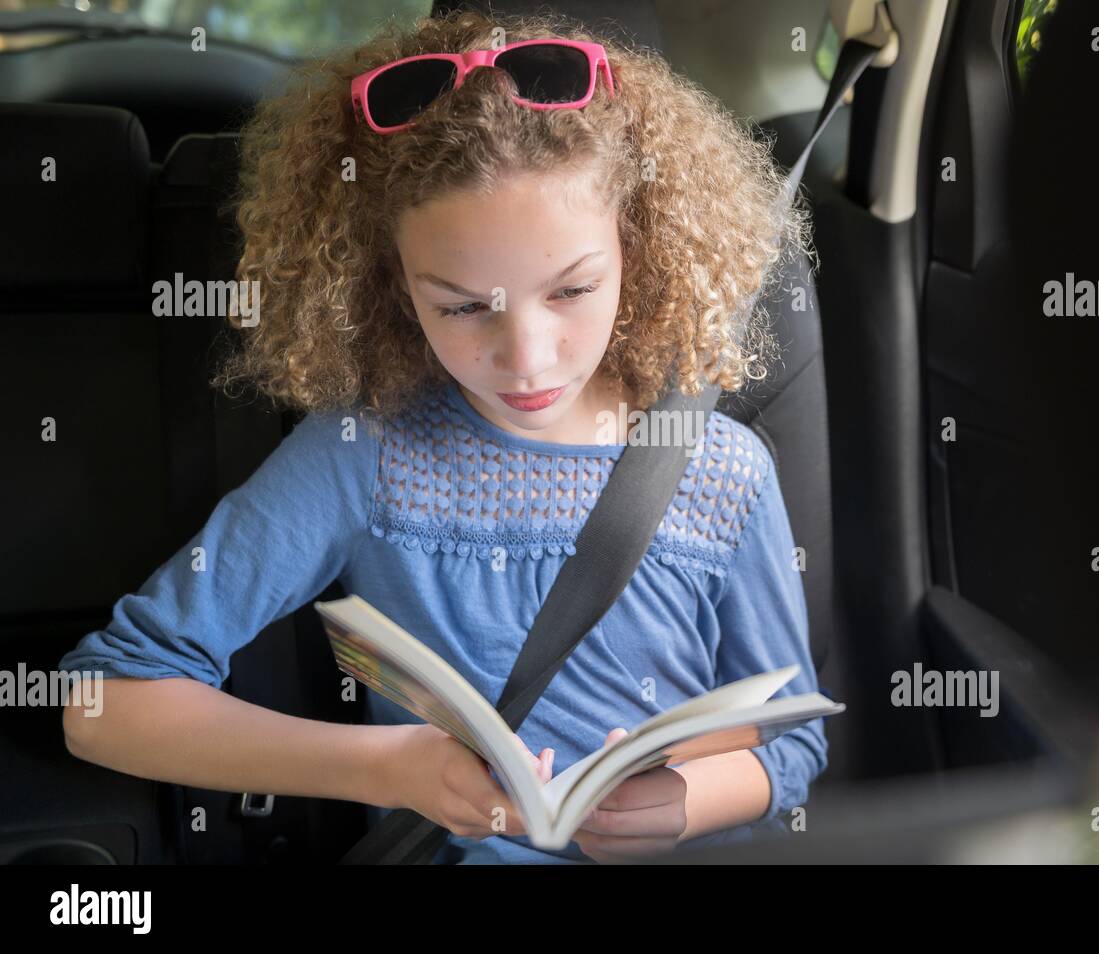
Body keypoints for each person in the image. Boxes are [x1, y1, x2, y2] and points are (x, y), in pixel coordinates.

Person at [60, 8, 827, 864]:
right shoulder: (367, 454)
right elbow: (102, 701)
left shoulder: (724, 472)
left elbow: (792, 745)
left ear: (638, 251)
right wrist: (390, 767)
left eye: (572, 292)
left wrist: (682, 805)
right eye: (462, 306)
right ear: (390, 287)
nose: (527, 359)